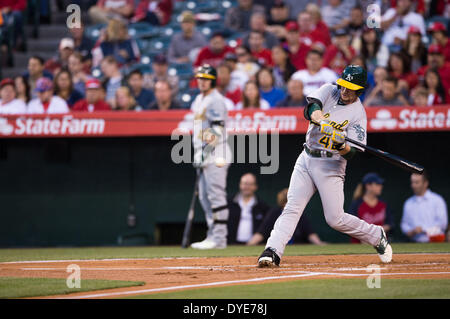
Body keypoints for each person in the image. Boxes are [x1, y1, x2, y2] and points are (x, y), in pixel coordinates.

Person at [257, 65, 393, 268]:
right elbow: (310, 108)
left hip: (331, 164)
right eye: (344, 85)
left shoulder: (358, 114)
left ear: (360, 90)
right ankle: (273, 250)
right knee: (292, 206)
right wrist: (322, 121)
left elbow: (353, 153)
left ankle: (376, 235)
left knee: (335, 218)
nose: (345, 91)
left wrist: (341, 145)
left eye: (350, 88)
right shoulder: (330, 90)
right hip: (307, 157)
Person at [189, 65, 232, 250]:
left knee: (215, 196)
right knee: (205, 198)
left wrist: (205, 152)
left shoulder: (216, 100)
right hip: (203, 152)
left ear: (213, 80)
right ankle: (212, 235)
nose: (202, 81)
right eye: (200, 78)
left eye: (206, 78)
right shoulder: (199, 98)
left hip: (216, 152)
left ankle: (220, 239)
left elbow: (217, 127)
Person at [247, 188, 326, 246]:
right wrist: (250, 244)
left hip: (297, 246)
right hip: (277, 245)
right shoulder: (274, 213)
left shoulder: (299, 213)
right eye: (286, 202)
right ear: (282, 203)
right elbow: (262, 231)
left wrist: (319, 243)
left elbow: (309, 232)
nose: (289, 205)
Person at [401, 172, 448, 243]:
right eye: (412, 182)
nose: (413, 185)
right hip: (414, 243)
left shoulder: (437, 200)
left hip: (435, 242)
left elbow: (443, 224)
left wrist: (423, 229)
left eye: (416, 182)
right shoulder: (408, 203)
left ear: (425, 183)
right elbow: (404, 224)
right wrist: (412, 231)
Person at [348, 173, 395, 244]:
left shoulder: (383, 204)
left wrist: (379, 231)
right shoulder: (357, 204)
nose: (381, 186)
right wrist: (364, 236)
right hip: (360, 245)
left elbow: (390, 223)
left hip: (380, 243)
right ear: (368, 186)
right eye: (377, 184)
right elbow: (350, 226)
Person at [227, 173, 271, 245]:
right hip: (231, 244)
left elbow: (266, 226)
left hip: (254, 245)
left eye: (250, 184)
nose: (247, 187)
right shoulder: (229, 203)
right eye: (245, 184)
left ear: (255, 187)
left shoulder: (262, 206)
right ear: (240, 185)